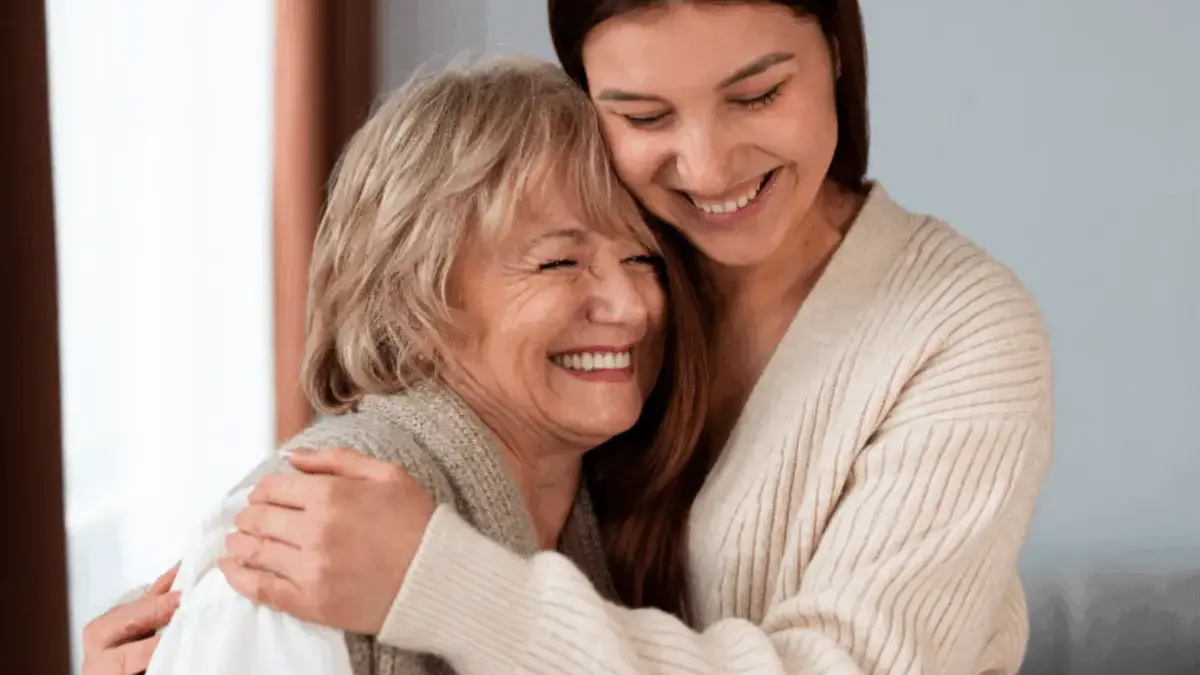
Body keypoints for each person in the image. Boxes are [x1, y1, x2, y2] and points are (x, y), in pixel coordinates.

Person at [92, 2, 1057, 674]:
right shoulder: (616, 253)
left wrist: (449, 586)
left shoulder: (960, 330)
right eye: (644, 115)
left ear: (837, 51)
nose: (708, 165)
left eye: (757, 94)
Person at [80, 55, 712, 675]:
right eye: (559, 263)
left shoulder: (618, 519)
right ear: (415, 299)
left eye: (642, 260)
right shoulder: (302, 541)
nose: (633, 308)